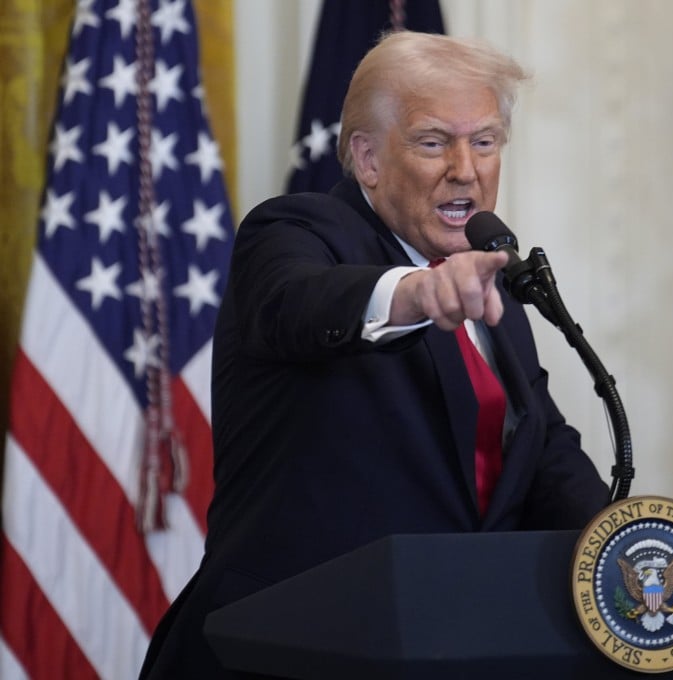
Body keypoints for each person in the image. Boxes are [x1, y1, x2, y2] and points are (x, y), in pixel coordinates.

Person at [139, 31, 609, 678]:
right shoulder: (295, 233)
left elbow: (542, 450)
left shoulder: (489, 284)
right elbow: (299, 303)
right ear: (367, 159)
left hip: (445, 645)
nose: (465, 169)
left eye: (485, 141)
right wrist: (416, 293)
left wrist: (624, 548)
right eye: (433, 141)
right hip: (285, 651)